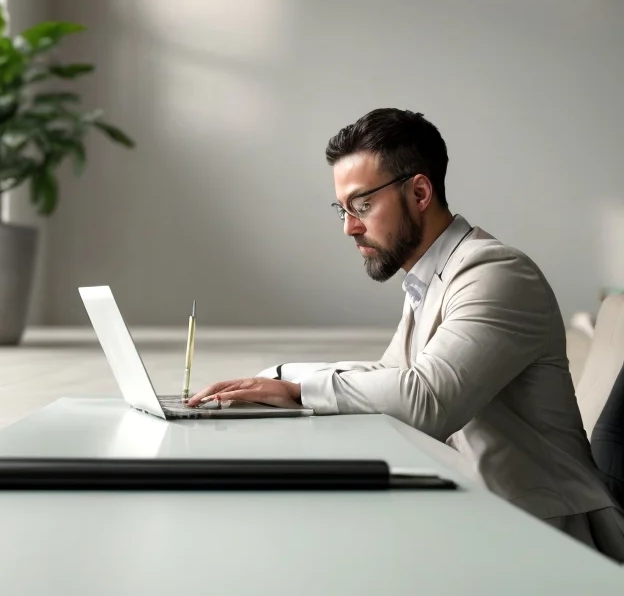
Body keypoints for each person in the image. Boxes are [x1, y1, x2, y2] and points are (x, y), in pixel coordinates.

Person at [187, 107, 624, 562]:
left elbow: (427, 400)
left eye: (362, 206)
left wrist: (295, 389)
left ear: (419, 191)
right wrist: (275, 377)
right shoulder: (430, 278)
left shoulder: (497, 273)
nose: (349, 227)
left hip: (550, 536)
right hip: (482, 520)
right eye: (343, 209)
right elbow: (392, 374)